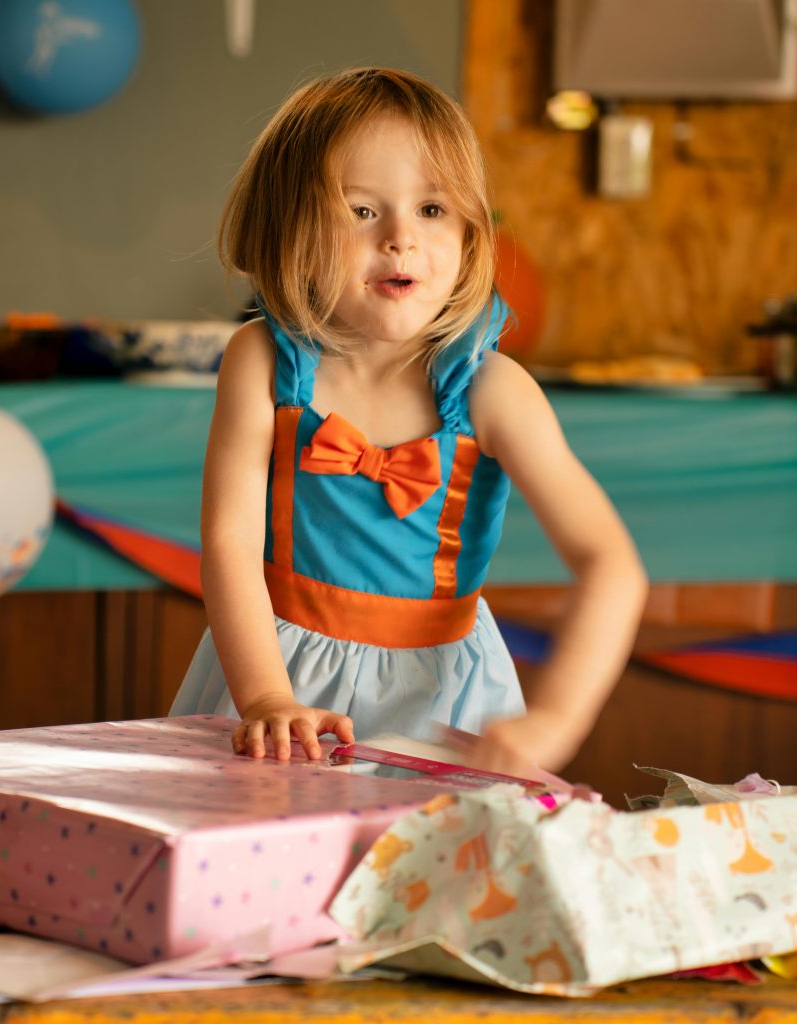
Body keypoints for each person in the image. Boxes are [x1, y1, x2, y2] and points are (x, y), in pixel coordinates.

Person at [170, 67, 647, 776]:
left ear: (470, 232)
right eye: (363, 211)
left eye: (432, 210)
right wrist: (266, 695)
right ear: (289, 227)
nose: (401, 239)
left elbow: (612, 566)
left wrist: (553, 721)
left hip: (443, 700)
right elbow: (229, 542)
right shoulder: (260, 360)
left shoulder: (493, 391)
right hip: (272, 679)